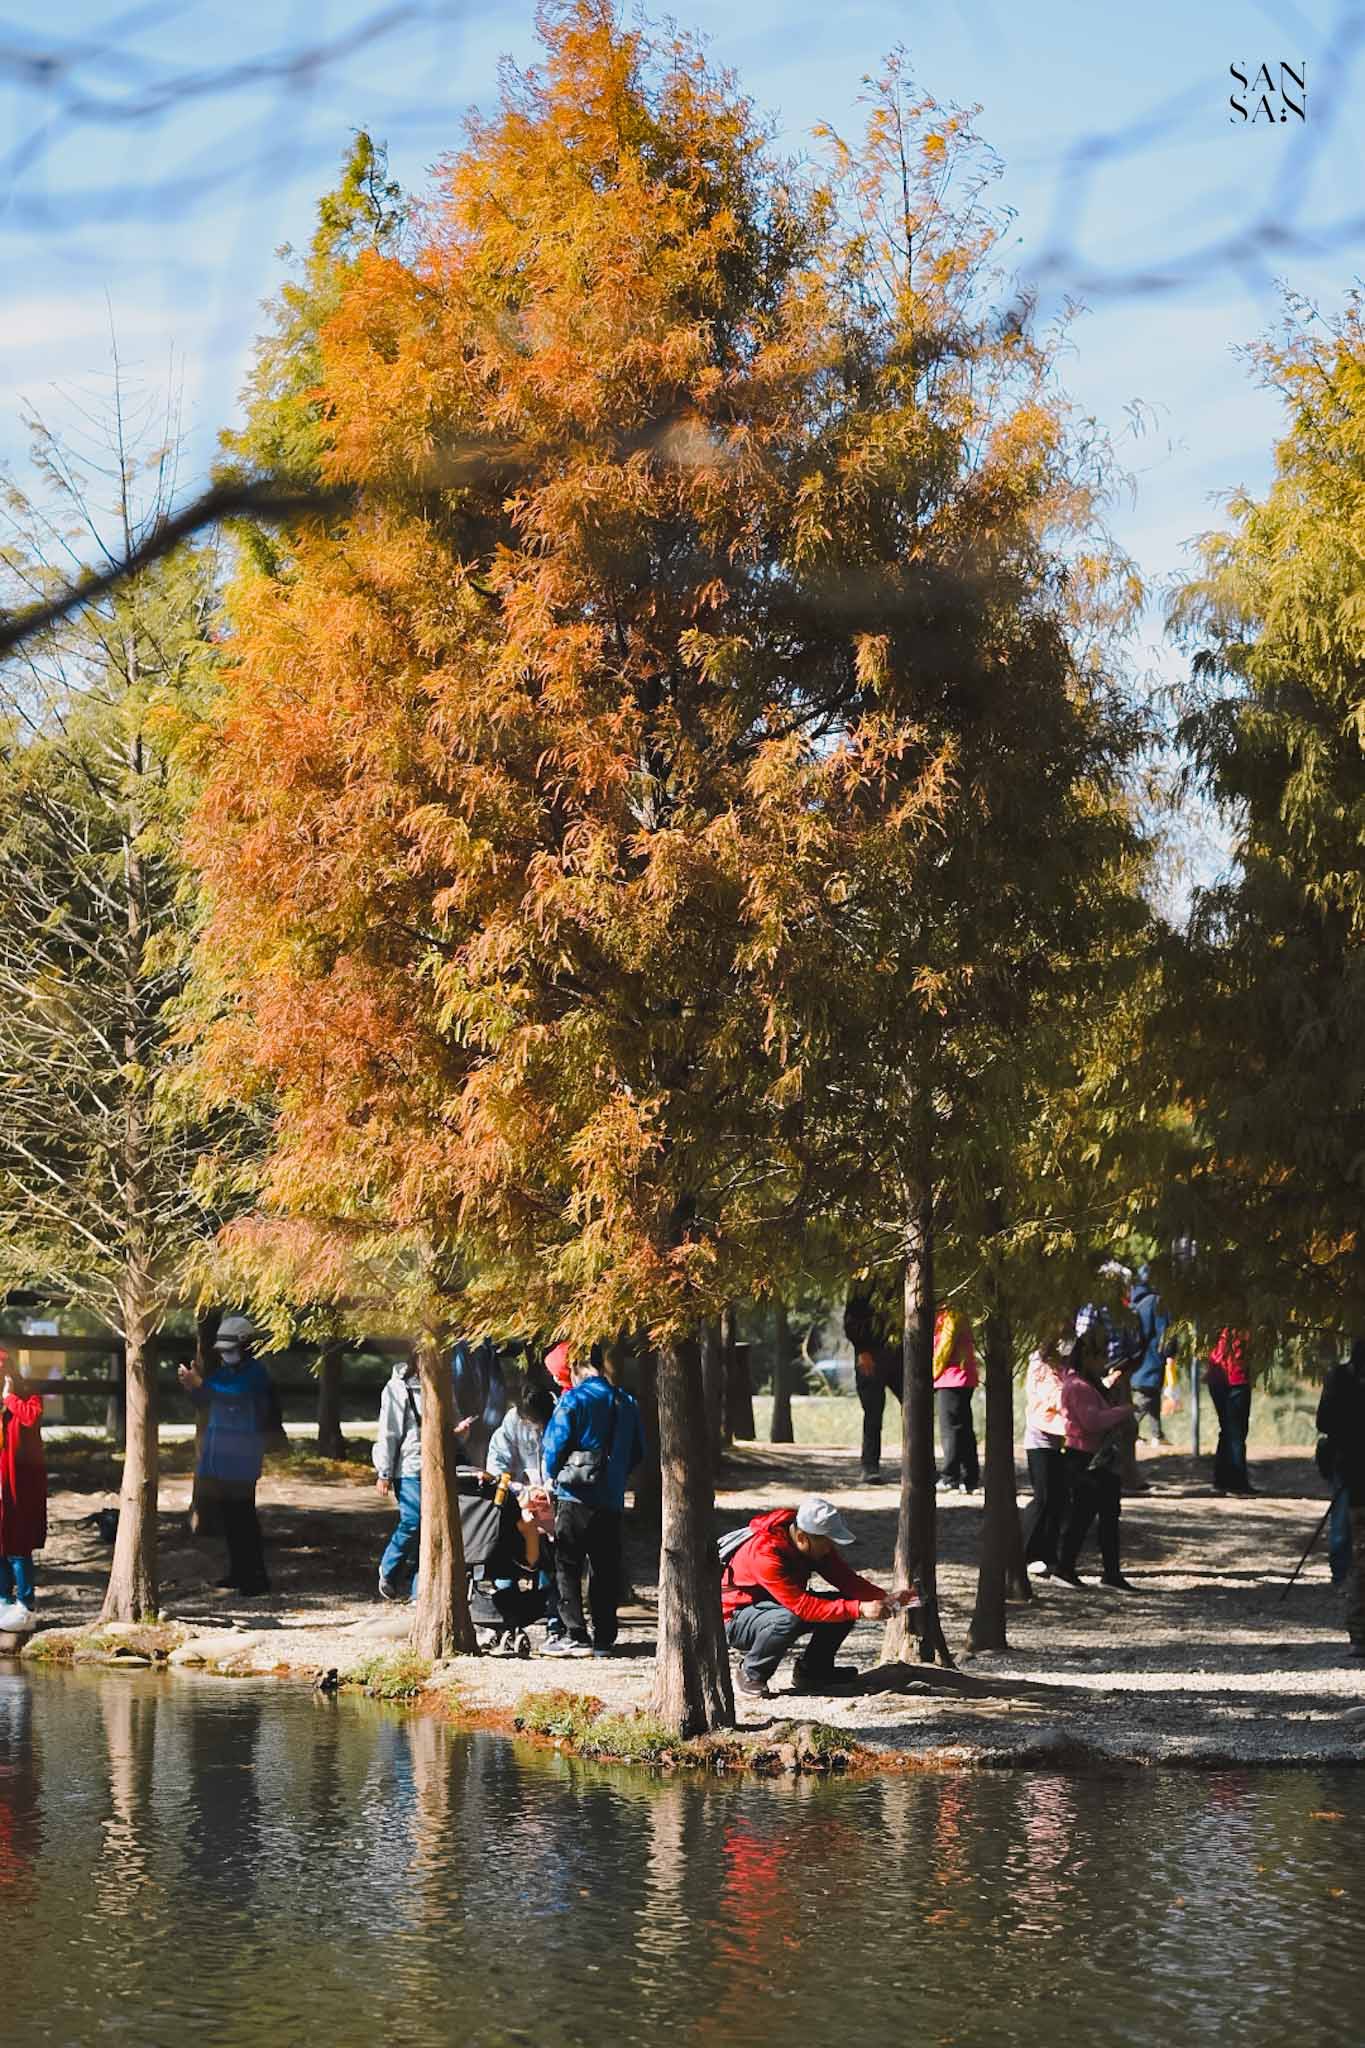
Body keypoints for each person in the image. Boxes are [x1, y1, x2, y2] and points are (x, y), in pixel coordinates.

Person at [721, 1496, 916, 1698]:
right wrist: (859, 1608)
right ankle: (751, 1673)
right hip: (735, 1619)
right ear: (802, 1537)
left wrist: (886, 1598)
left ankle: (813, 1672)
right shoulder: (765, 1554)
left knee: (841, 1602)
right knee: (791, 1618)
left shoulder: (814, 1545)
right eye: (827, 1542)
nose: (830, 1548)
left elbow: (845, 1579)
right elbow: (802, 1607)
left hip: (774, 1608)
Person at [541, 1346, 645, 1658]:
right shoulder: (626, 1401)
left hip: (575, 1496)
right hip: (611, 1499)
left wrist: (553, 1475)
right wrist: (615, 1475)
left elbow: (553, 1446)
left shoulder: (574, 1399)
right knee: (605, 1568)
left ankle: (576, 1635)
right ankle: (604, 1639)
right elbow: (638, 1451)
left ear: (576, 1367)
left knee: (568, 1565)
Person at [179, 1315, 278, 1597]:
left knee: (244, 1518)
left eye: (230, 1350)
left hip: (243, 1457)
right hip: (219, 1455)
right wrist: (191, 1386)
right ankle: (239, 1572)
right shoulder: (223, 1374)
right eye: (222, 1350)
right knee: (231, 1519)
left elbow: (234, 1395)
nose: (225, 1355)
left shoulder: (256, 1374)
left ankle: (256, 1578)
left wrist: (201, 1385)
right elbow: (206, 1400)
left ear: (246, 1346)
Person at [1054, 1307, 1137, 1590]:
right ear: (1087, 1357)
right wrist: (1123, 1412)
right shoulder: (1077, 1386)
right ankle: (1065, 1567)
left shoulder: (1090, 1384)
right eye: (1099, 1356)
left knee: (1109, 1517)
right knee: (1082, 1517)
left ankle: (1111, 1573)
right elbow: (1091, 1421)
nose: (1103, 1362)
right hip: (1084, 1460)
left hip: (1101, 1460)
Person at [1316, 1339, 1365, 1649]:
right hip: (1349, 1469)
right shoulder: (1339, 1379)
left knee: (1346, 1528)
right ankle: (1340, 1573)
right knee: (1345, 1528)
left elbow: (1324, 1422)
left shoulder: (1337, 1378)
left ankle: (1342, 1575)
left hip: (1346, 1467)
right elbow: (1325, 1422)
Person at [0, 1355, 46, 1632]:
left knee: (18, 1546)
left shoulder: (28, 1398)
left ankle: (25, 1603)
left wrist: (9, 1399)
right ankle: (3, 1600)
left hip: (19, 1485)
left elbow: (31, 1418)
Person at [1021, 1330, 1070, 1579]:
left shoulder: (1060, 1366)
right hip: (1040, 1439)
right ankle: (1023, 1552)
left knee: (1057, 1500)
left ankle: (1048, 1554)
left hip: (1058, 1438)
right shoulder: (1040, 1367)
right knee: (1043, 1498)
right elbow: (1053, 1399)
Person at [373, 1352, 422, 1600]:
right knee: (413, 1520)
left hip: (439, 1468)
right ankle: (389, 1567)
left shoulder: (445, 1386)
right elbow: (388, 1432)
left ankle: (419, 1592)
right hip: (409, 1467)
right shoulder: (397, 1388)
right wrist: (385, 1472)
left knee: (431, 1530)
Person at [844, 1290, 903, 1484]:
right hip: (870, 1356)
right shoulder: (863, 1282)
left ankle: (922, 1465)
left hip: (900, 1354)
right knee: (873, 1414)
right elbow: (851, 1320)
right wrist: (862, 1350)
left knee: (915, 1409)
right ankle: (870, 1467)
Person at [1128, 1265, 1177, 1446]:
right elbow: (1166, 1335)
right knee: (1145, 1398)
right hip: (1151, 1359)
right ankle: (1127, 1433)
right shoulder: (1157, 1303)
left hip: (1137, 1361)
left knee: (1151, 1395)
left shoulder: (1135, 1304)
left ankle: (1157, 1434)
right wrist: (1170, 1354)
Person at [933, 1306, 980, 1493]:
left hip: (951, 1377)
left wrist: (932, 1373)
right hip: (964, 1377)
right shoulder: (957, 1312)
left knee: (950, 1429)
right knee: (964, 1429)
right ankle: (971, 1478)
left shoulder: (950, 1314)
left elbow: (945, 1346)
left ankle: (950, 1477)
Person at [1206, 1327, 1254, 1496]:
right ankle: (1237, 1483)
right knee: (1236, 1432)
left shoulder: (1213, 1316)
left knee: (1227, 1430)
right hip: (1236, 1378)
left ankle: (1222, 1480)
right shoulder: (1244, 1321)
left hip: (1216, 1377)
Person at [487, 1373, 556, 1487]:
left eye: (536, 1422)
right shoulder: (514, 1419)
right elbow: (498, 1456)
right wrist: (507, 1485)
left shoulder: (560, 1419)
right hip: (522, 1491)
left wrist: (550, 1488)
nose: (533, 1427)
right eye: (527, 1422)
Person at [451, 1336, 508, 1471]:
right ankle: (474, 1342)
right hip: (478, 1420)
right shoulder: (490, 1429)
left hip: (473, 1420)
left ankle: (469, 1342)